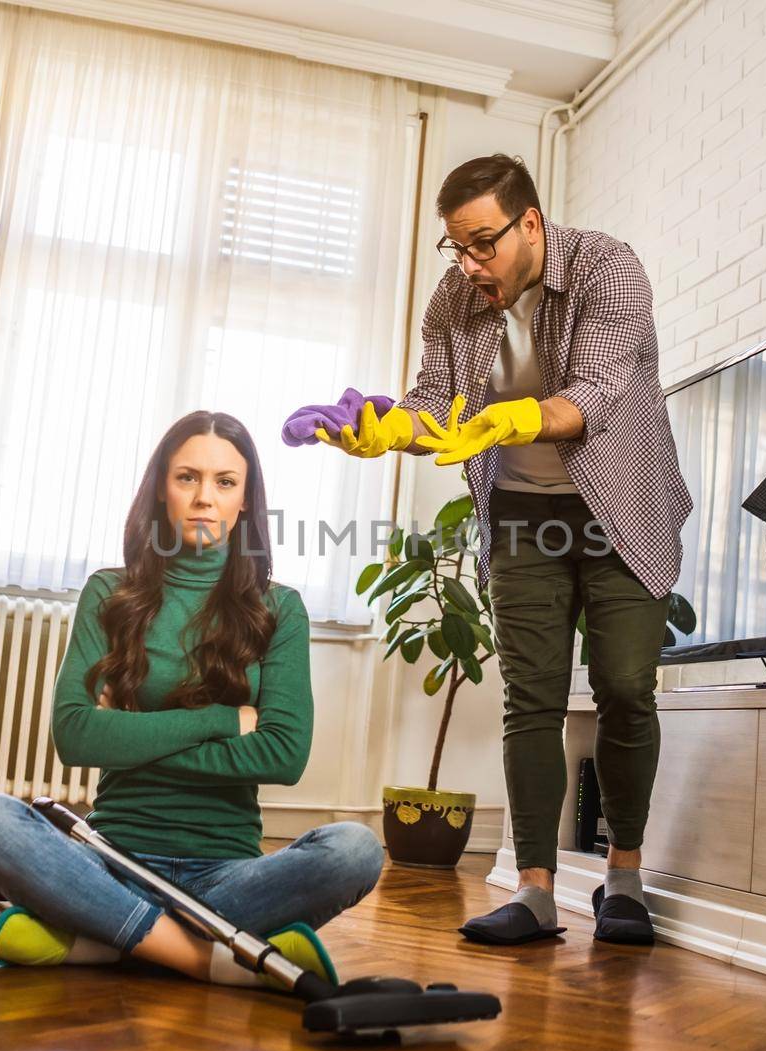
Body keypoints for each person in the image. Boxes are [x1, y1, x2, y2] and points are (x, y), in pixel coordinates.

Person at [283, 154, 690, 946]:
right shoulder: (456, 296)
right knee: (530, 696)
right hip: (520, 516)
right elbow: (435, 396)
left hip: (622, 509)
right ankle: (535, 892)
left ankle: (626, 882)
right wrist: (389, 428)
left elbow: (601, 389)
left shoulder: (610, 268)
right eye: (456, 248)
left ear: (529, 223)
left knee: (625, 687)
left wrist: (516, 418)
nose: (469, 265)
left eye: (482, 244)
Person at [0, 411, 384, 988]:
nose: (205, 497)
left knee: (354, 849)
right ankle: (203, 956)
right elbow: (75, 736)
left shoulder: (280, 609)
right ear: (162, 488)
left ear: (245, 500)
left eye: (224, 482)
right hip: (110, 861)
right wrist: (221, 720)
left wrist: (130, 739)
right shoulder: (110, 593)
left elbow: (283, 755)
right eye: (188, 477)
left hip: (227, 874)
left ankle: (102, 939)